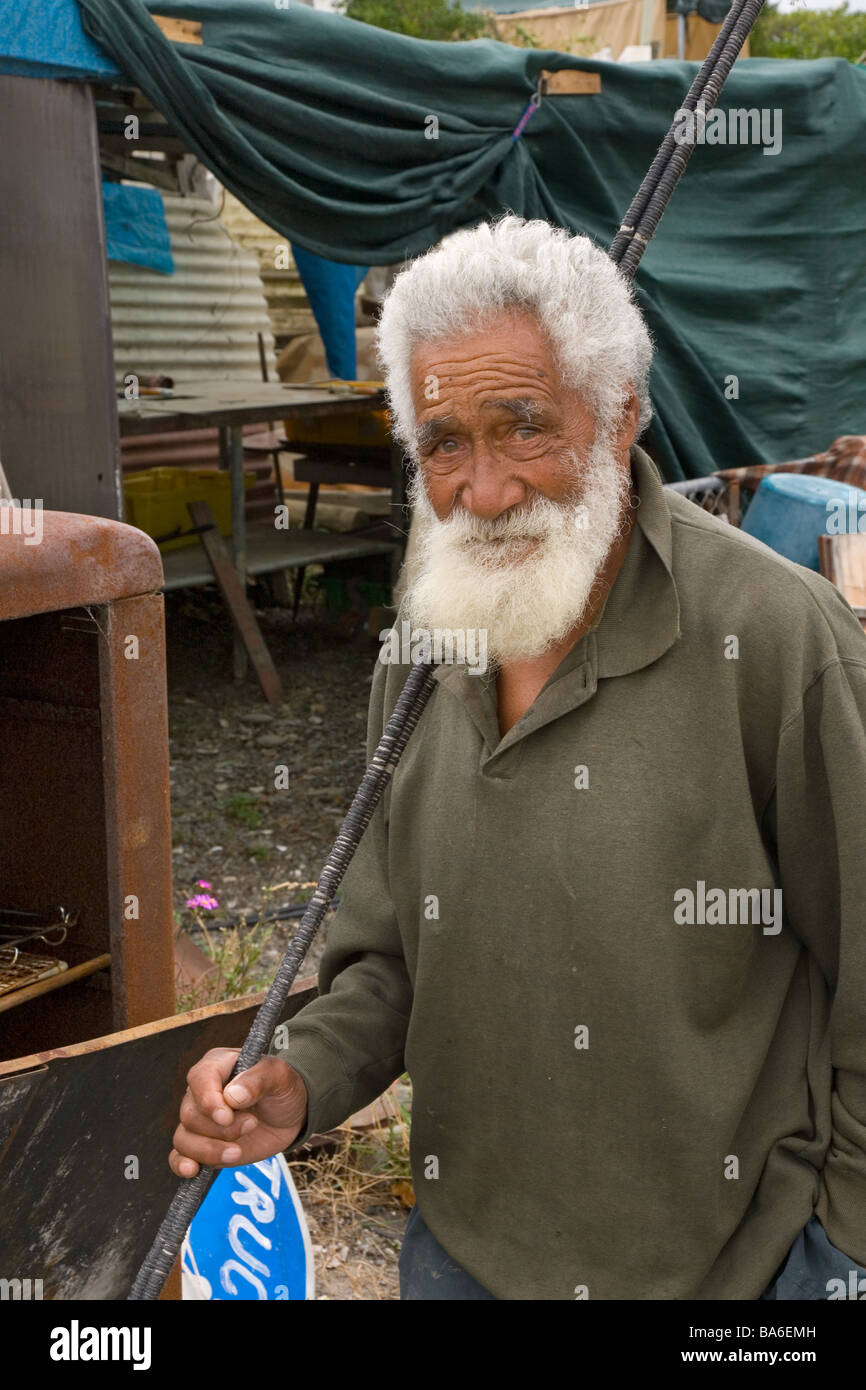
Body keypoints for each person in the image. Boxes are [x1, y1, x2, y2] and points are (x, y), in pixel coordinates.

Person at [170, 217, 866, 1300]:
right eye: (443, 441)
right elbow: (390, 962)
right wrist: (300, 1078)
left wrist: (840, 1256)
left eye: (523, 427)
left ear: (623, 412)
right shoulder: (418, 661)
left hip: (734, 1271)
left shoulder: (775, 641)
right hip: (460, 1256)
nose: (481, 488)